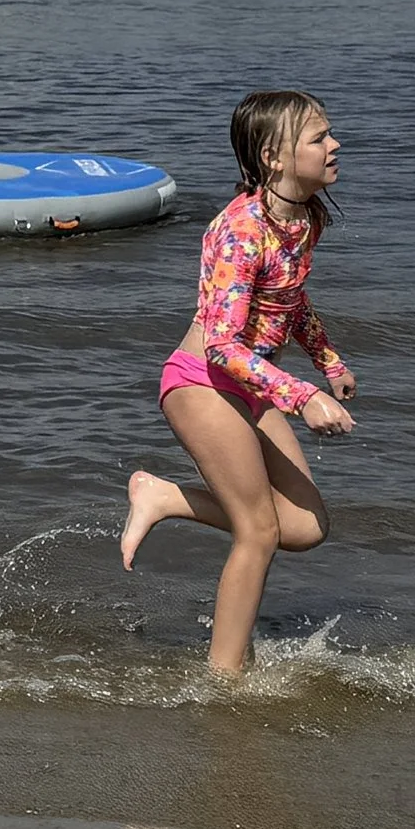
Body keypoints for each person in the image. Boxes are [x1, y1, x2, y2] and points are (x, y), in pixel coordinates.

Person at [121, 90, 357, 678]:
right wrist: (303, 396)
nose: (334, 145)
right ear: (275, 157)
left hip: (250, 384)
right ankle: (224, 682)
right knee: (258, 529)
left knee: (303, 528)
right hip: (201, 382)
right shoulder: (240, 231)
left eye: (330, 134)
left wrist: (328, 360)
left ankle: (165, 497)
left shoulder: (306, 217)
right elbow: (223, 346)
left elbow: (290, 299)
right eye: (318, 138)